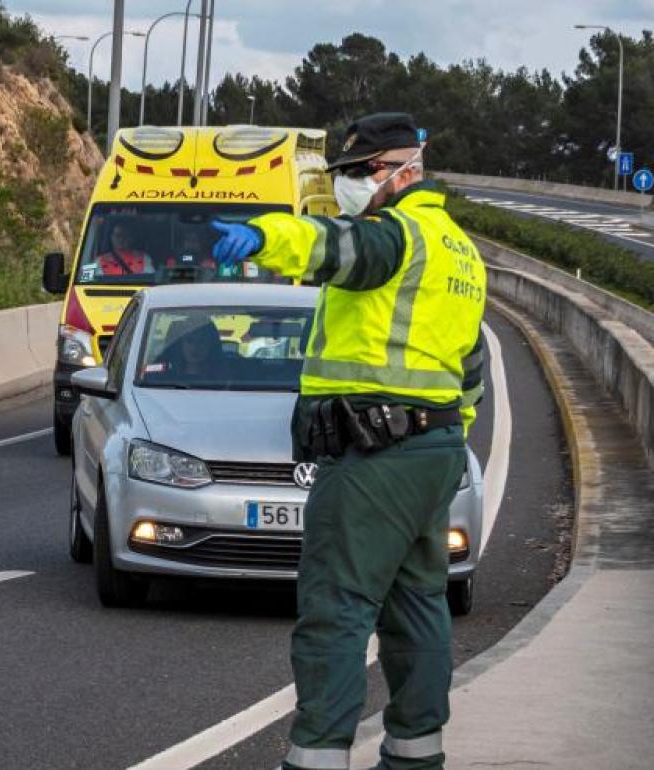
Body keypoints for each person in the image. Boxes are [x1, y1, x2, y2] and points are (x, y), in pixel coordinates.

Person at [211, 113, 487, 770]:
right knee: (417, 606)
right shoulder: (460, 252)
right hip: (433, 450)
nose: (351, 184)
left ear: (406, 170)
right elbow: (470, 369)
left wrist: (262, 236)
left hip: (375, 453)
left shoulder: (394, 237)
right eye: (346, 173)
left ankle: (317, 757)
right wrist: (444, 447)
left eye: (363, 171)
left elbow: (333, 247)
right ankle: (416, 755)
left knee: (336, 607)